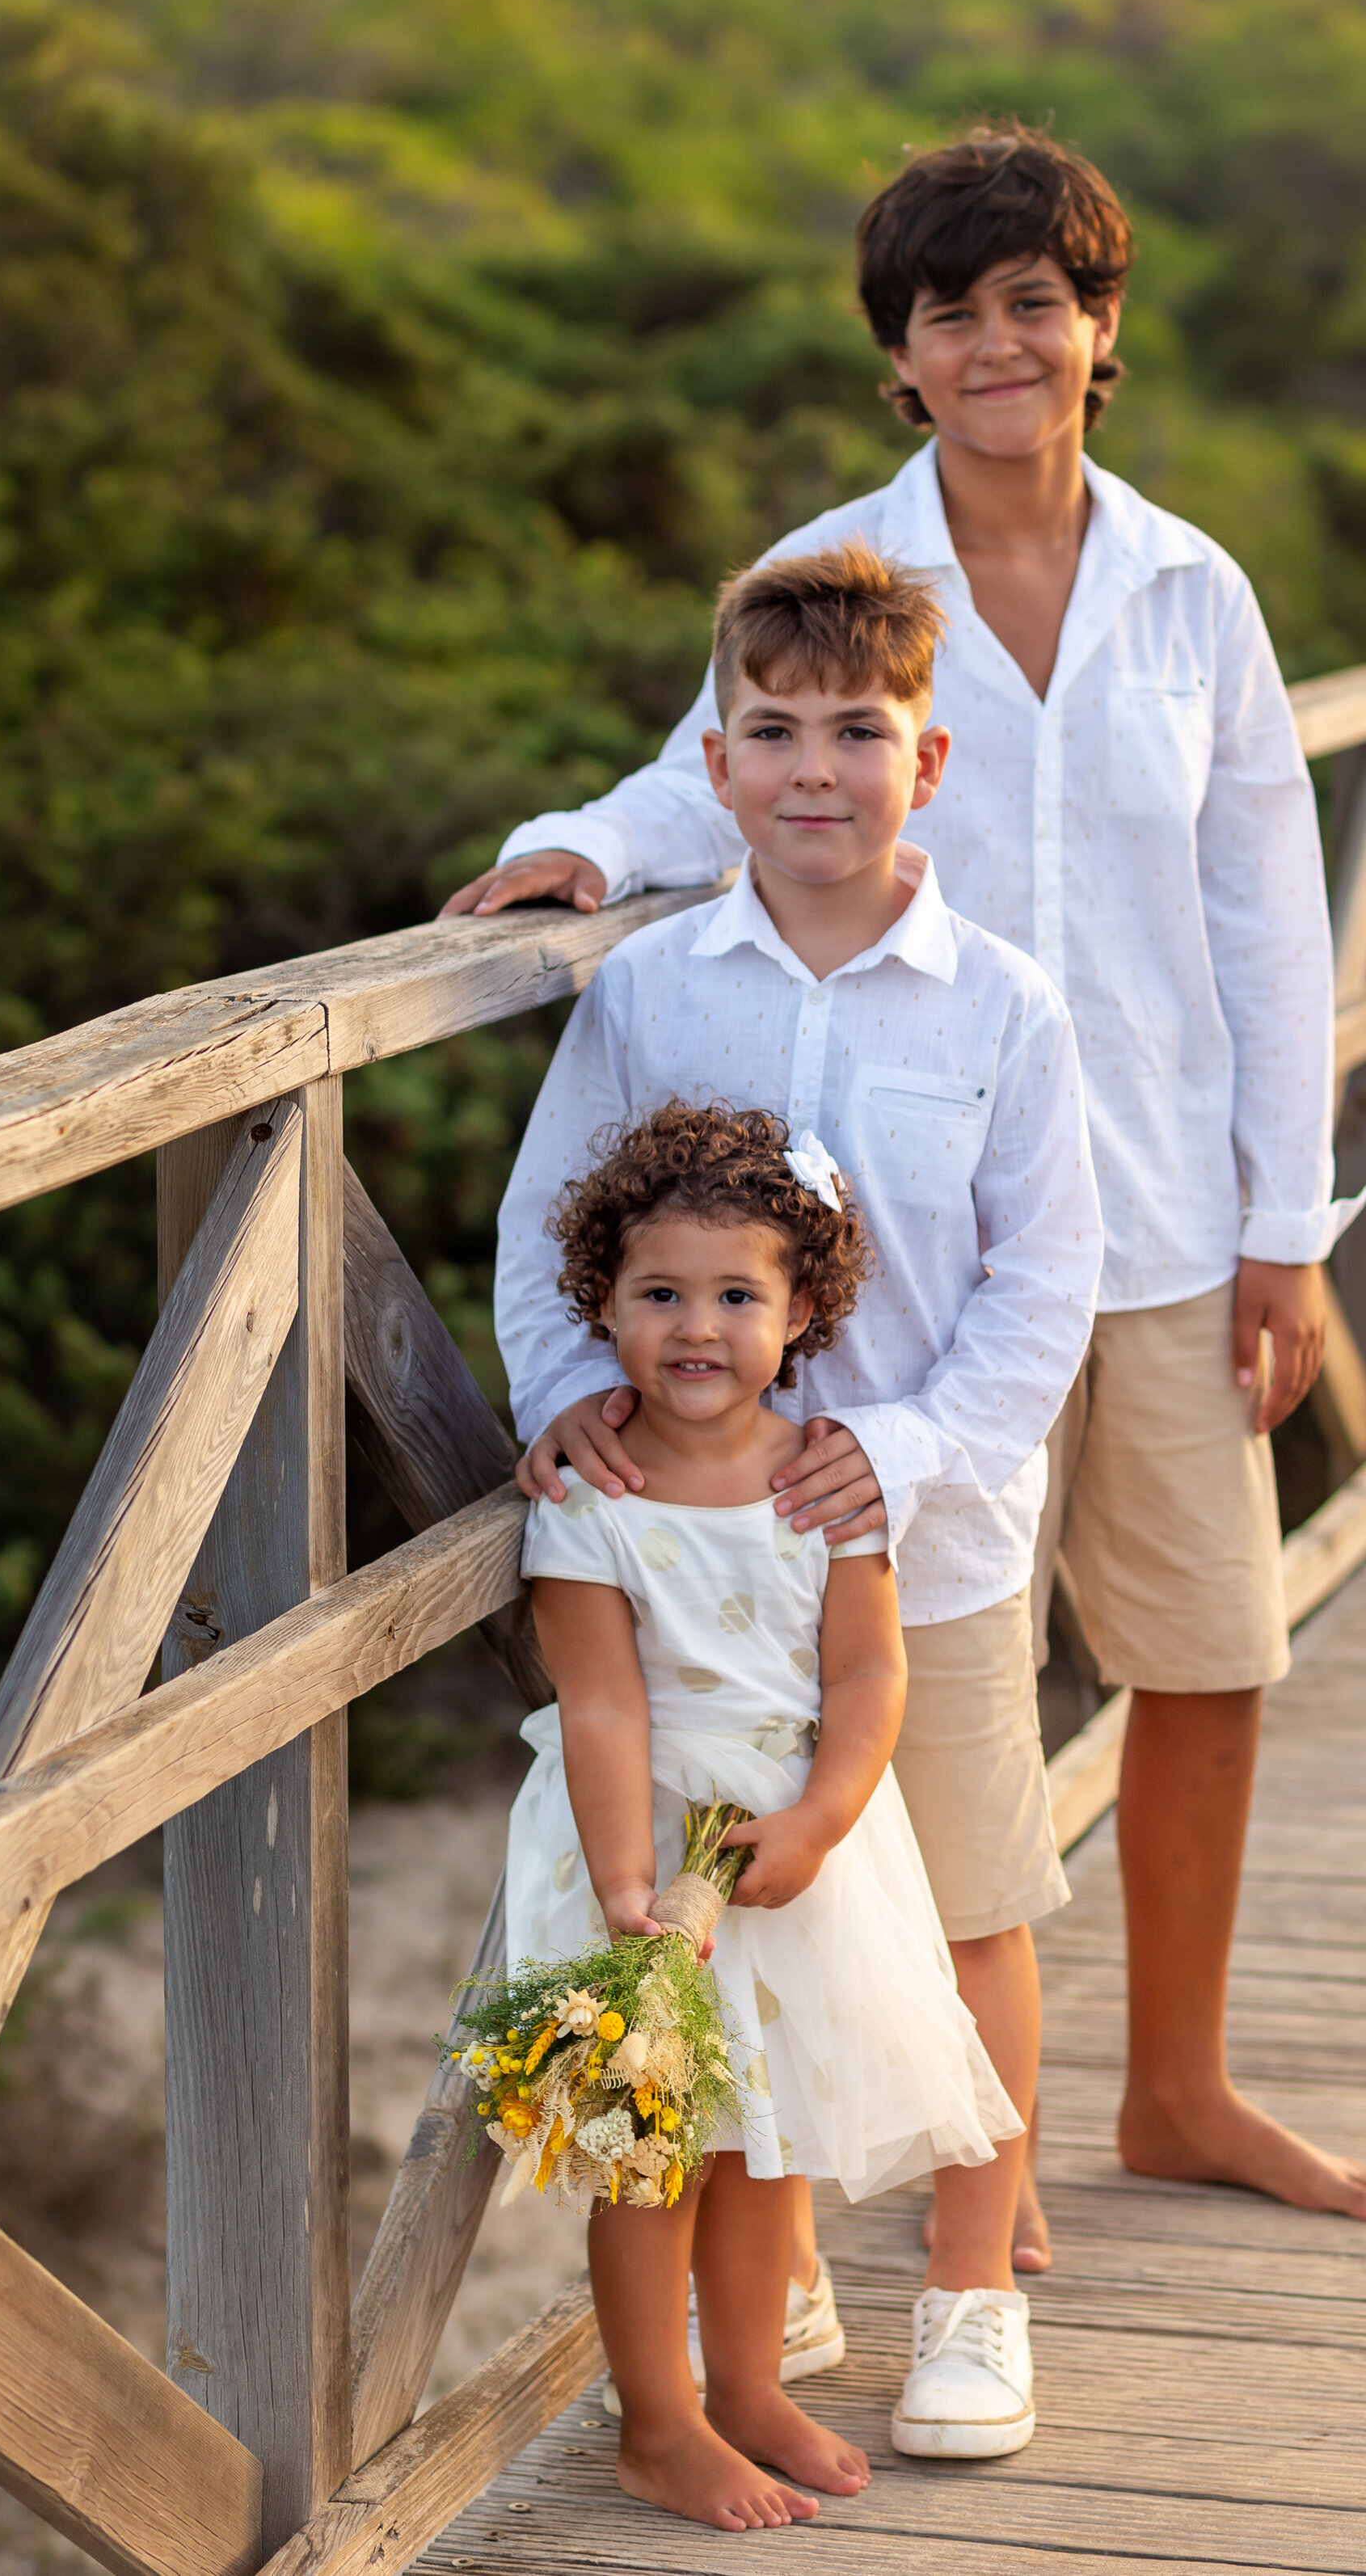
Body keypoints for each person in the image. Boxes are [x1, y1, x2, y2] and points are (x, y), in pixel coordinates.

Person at [449, 124, 1366, 2235]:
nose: (995, 343)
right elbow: (725, 761)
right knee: (946, 1686)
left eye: (1032, 304)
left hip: (1156, 1214)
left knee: (1204, 1650)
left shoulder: (1189, 591)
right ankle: (984, 2127)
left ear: (1097, 330)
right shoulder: (846, 572)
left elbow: (1268, 911)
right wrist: (587, 852)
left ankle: (1177, 2084)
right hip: (912, 1261)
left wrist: (1283, 1225)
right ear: (897, 352)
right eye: (947, 312)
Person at [495, 540, 1103, 2456]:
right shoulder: (659, 987)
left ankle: (971, 2289)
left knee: (962, 1906)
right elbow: (541, 1224)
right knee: (714, 1923)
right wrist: (569, 1395)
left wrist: (903, 1451)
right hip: (683, 1567)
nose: (818, 766)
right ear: (718, 757)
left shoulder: (1001, 1006)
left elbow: (1044, 1283)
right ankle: (772, 2296)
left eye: (862, 730)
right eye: (777, 731)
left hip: (917, 1547)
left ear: (931, 764)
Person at [509, 1098, 1023, 2528]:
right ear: (601, 1305)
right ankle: (656, 2423)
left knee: (759, 2147)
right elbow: (603, 1704)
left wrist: (823, 1822)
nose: (695, 1327)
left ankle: (744, 2389)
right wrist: (630, 1899)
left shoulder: (826, 1480)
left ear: (803, 1311)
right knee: (652, 2150)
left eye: (737, 1295)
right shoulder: (589, 1496)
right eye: (658, 1294)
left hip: (790, 1846)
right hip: (647, 1853)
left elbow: (868, 1673)